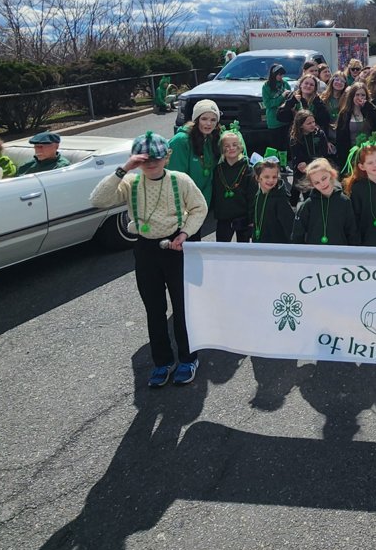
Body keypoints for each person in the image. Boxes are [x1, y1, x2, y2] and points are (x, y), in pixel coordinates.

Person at [90, 130, 208, 387]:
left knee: (183, 307)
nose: (151, 163)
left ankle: (188, 358)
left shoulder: (180, 180)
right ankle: (162, 361)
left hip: (176, 248)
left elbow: (199, 208)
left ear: (167, 157)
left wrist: (185, 233)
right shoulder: (130, 182)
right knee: (154, 309)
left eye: (156, 158)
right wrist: (124, 168)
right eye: (144, 159)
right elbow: (98, 199)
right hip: (146, 249)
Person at [168, 99, 220, 214]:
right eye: (204, 119)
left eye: (213, 120)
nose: (208, 124)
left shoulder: (210, 139)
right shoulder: (180, 141)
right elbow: (174, 178)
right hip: (182, 207)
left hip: (201, 205)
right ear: (196, 119)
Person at [291, 158, 359, 245]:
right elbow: (297, 234)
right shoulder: (308, 205)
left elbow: (352, 231)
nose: (322, 184)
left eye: (324, 178)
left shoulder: (345, 201)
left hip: (339, 251)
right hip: (315, 251)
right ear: (312, 185)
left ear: (332, 174)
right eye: (317, 182)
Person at [333, 83, 376, 172]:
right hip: (352, 154)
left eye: (363, 95)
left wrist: (369, 107)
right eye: (357, 95)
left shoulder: (370, 110)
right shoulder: (344, 114)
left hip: (370, 153)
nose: (360, 97)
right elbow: (340, 139)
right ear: (352, 96)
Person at [212, 129, 253, 243]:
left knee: (243, 248)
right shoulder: (218, 169)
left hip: (243, 217)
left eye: (235, 145)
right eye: (227, 146)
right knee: (222, 247)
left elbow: (252, 196)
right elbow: (215, 192)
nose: (231, 148)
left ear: (240, 147)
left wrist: (252, 219)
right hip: (223, 217)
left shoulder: (248, 169)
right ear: (222, 149)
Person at [251, 154, 294, 244]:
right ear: (258, 178)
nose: (271, 180)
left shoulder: (281, 200)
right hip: (260, 244)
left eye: (274, 177)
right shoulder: (258, 195)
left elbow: (290, 227)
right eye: (266, 177)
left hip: (277, 246)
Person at [262, 64, 293, 152]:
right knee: (275, 146)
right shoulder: (266, 86)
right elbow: (268, 104)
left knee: (287, 145)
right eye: (279, 74)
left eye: (282, 75)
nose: (281, 77)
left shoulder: (285, 83)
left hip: (285, 118)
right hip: (274, 120)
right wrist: (281, 96)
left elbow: (291, 99)